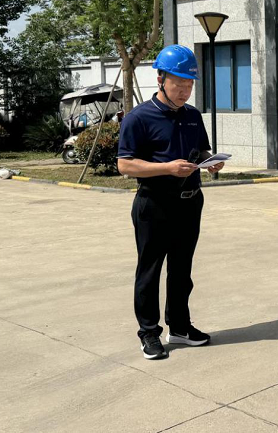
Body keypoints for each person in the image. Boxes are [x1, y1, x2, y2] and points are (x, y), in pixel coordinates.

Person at [117, 45, 225, 360]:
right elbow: (125, 165)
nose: (184, 91)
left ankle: (179, 327)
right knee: (149, 271)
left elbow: (201, 150)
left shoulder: (192, 116)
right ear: (160, 79)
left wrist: (210, 161)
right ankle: (149, 333)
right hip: (154, 204)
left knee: (181, 270)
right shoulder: (138, 118)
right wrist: (167, 168)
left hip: (190, 203)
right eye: (178, 83)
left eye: (189, 84)